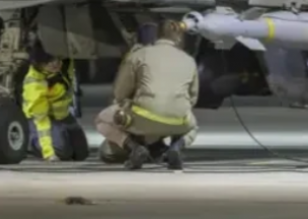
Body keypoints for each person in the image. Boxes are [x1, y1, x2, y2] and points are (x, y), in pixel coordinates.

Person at [95, 19, 199, 170]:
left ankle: (134, 147)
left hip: (142, 118)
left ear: (156, 35)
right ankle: (176, 147)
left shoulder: (139, 55)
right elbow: (193, 97)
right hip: (178, 121)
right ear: (179, 38)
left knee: (101, 120)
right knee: (193, 126)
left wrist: (126, 105)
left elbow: (120, 92)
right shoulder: (189, 60)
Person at [22, 40, 87, 162]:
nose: (55, 63)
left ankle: (61, 135)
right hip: (42, 118)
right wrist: (49, 153)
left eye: (56, 59)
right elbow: (42, 122)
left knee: (81, 154)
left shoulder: (63, 66)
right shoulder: (35, 85)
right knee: (63, 152)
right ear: (38, 64)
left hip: (63, 115)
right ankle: (32, 143)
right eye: (48, 61)